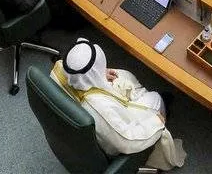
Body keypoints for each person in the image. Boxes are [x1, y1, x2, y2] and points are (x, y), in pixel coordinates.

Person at [54, 38, 186, 170]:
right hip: (116, 138)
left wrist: (98, 75)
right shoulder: (101, 111)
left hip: (91, 108)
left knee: (123, 76)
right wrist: (156, 123)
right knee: (155, 98)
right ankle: (163, 107)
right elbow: (126, 141)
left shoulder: (59, 71)